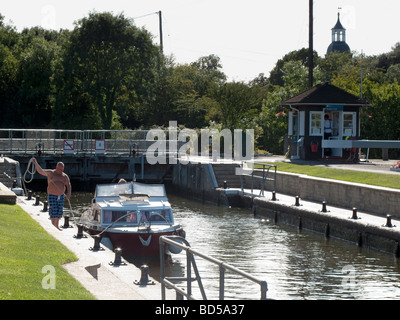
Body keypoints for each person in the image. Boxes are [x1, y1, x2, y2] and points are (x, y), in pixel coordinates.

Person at [31, 158, 71, 231]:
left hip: (61, 195)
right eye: (59, 169)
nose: (60, 170)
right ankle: (53, 226)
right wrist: (35, 162)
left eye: (62, 169)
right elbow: (40, 171)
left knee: (59, 211)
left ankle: (56, 225)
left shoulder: (65, 176)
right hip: (52, 194)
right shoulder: (51, 173)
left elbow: (68, 185)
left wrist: (68, 194)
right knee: (54, 210)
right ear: (56, 167)